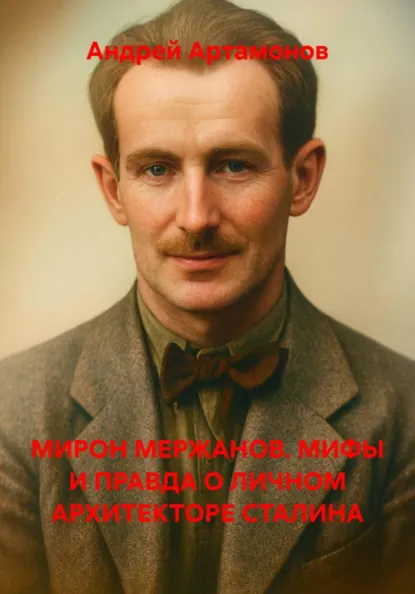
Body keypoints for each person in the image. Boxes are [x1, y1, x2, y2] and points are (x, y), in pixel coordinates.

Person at [0, 0, 414, 593]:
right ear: (113, 190)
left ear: (303, 179)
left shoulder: (403, 416)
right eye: (157, 170)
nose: (196, 217)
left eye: (234, 165)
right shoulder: (11, 416)